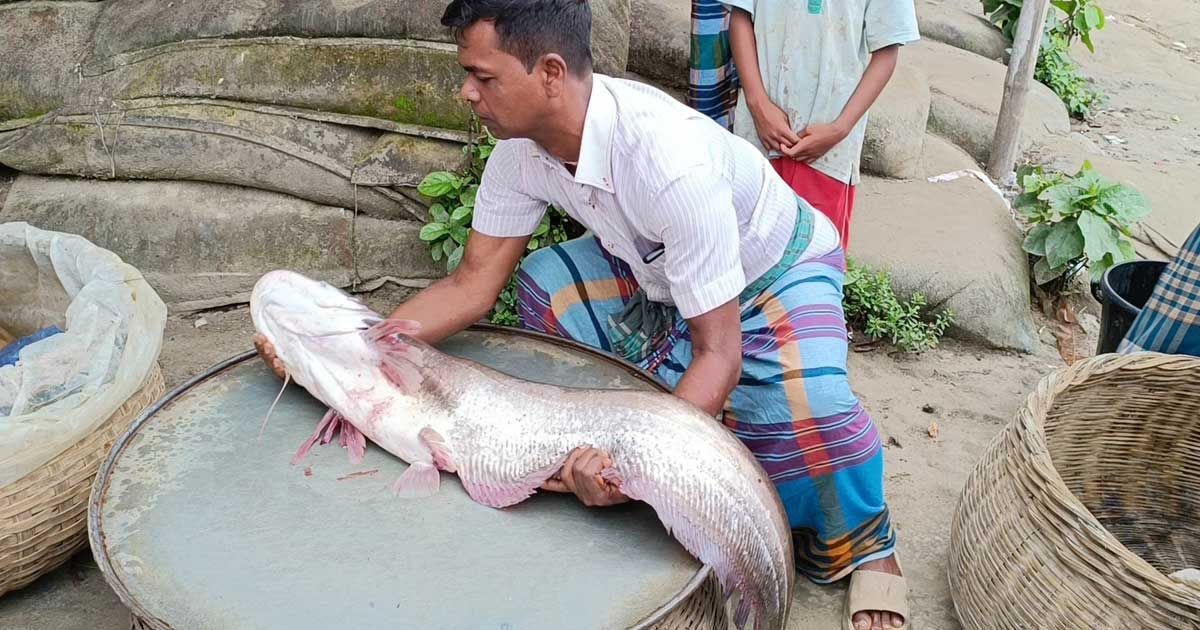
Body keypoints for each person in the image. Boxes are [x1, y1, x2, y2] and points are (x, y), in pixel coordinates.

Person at [254, 1, 907, 628]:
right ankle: (639, 428)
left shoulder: (667, 160)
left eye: (482, 76)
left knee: (816, 414)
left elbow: (720, 352)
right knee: (545, 286)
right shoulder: (520, 151)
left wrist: (632, 465)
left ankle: (867, 546)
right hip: (663, 282)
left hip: (775, 272)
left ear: (550, 74)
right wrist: (365, 349)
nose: (467, 93)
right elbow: (473, 285)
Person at [722, 0, 920, 251]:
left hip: (828, 150)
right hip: (758, 137)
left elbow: (887, 51)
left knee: (812, 261)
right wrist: (757, 103)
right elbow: (740, 16)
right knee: (741, 252)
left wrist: (840, 128)